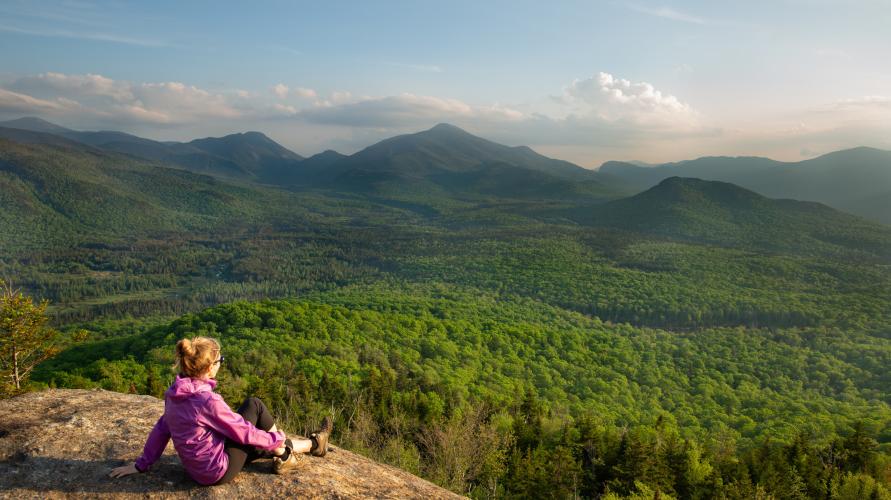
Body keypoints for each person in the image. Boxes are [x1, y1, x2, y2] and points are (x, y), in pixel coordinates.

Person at [109, 336, 332, 485]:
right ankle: (284, 455)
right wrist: (276, 438)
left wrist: (141, 465)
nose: (221, 363)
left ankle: (313, 444)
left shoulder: (174, 394)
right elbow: (243, 432)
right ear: (209, 367)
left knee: (258, 438)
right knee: (254, 406)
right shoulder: (206, 400)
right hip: (216, 471)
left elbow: (161, 430)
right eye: (220, 360)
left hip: (199, 467)